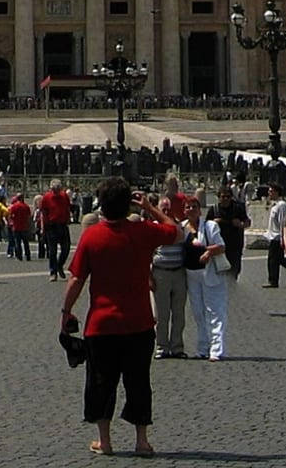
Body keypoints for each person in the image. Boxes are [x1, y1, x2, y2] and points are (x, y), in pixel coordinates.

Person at [59, 177, 182, 458]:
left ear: (101, 205)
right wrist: (150, 207)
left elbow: (77, 279)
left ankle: (105, 440)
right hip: (138, 322)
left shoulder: (91, 236)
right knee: (138, 382)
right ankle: (142, 441)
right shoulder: (142, 232)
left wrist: (66, 311)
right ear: (128, 203)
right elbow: (175, 232)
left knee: (101, 382)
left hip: (101, 325)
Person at [182, 195, 229, 360]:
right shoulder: (182, 228)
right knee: (198, 312)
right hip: (191, 275)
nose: (191, 210)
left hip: (209, 273)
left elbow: (222, 246)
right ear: (184, 210)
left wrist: (209, 252)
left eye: (194, 206)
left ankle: (216, 349)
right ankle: (202, 347)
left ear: (199, 209)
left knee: (214, 311)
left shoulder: (210, 226)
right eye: (188, 207)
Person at [149, 191, 188, 361]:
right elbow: (147, 253)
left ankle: (177, 347)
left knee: (179, 313)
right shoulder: (153, 228)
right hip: (160, 274)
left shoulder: (180, 226)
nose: (166, 212)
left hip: (179, 273)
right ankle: (161, 346)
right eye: (163, 209)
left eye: (168, 209)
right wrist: (149, 276)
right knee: (162, 314)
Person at [207, 185, 250, 278]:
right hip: (218, 247)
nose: (226, 199)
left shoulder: (237, 208)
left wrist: (241, 224)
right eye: (223, 196)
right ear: (218, 197)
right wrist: (213, 223)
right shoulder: (214, 210)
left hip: (234, 247)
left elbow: (247, 222)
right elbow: (205, 226)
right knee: (217, 274)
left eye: (228, 197)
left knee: (233, 273)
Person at [42, 179, 73, 280]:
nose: (56, 192)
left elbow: (68, 208)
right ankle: (53, 272)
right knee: (52, 250)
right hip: (51, 226)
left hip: (63, 225)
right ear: (51, 189)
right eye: (54, 190)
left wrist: (68, 218)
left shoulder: (64, 196)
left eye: (58, 189)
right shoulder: (46, 197)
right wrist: (44, 226)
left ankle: (59, 265)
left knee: (66, 248)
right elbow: (44, 212)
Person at [264, 184, 286, 288]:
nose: (269, 193)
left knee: (273, 260)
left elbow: (283, 222)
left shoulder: (282, 205)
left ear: (277, 192)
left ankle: (273, 280)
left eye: (271, 191)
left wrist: (284, 238)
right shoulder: (275, 205)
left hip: (278, 237)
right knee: (279, 259)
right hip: (273, 236)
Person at [7, 191, 32, 260]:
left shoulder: (14, 206)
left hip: (16, 226)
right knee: (26, 242)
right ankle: (28, 255)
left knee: (17, 242)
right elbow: (29, 217)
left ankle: (19, 256)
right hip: (24, 226)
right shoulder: (26, 206)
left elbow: (10, 216)